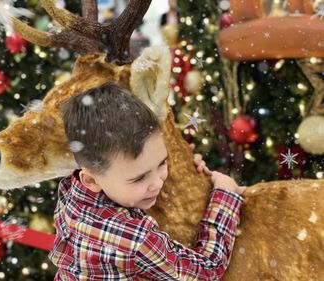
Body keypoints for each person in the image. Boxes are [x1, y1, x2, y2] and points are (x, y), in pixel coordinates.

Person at [48, 82, 245, 280]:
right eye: (139, 178)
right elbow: (207, 272)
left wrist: (184, 168)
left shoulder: (70, 190)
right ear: (90, 180)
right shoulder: (135, 241)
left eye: (161, 163)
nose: (158, 183)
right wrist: (225, 196)